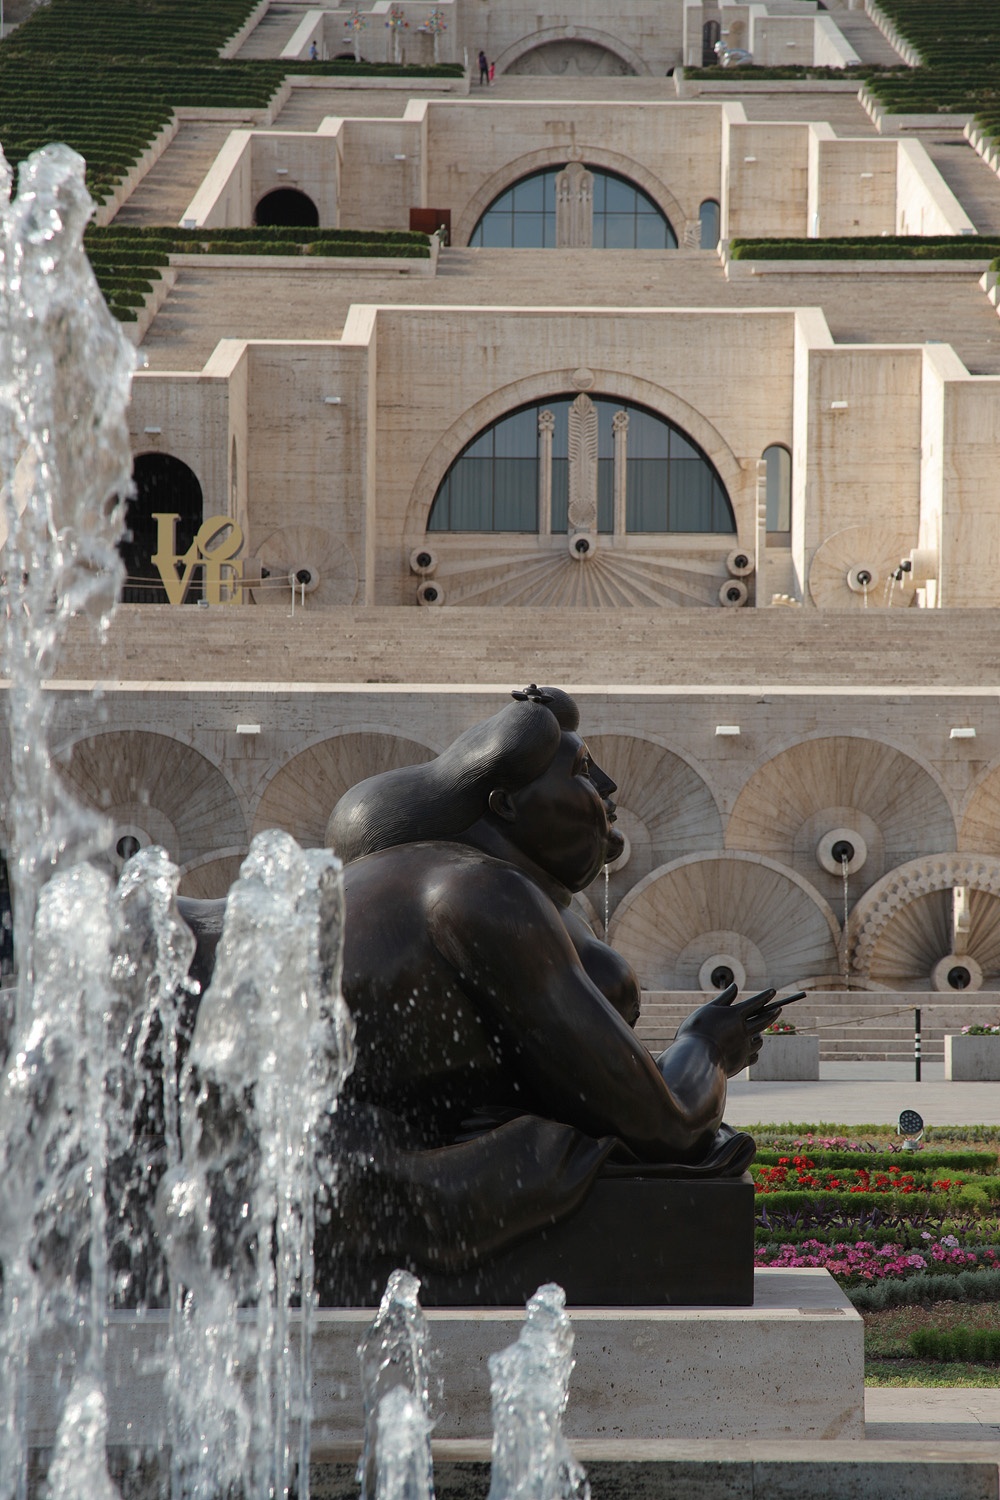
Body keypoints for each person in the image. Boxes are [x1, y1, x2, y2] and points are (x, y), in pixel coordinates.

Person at [320, 685, 797, 1276]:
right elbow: (668, 1127)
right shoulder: (481, 893)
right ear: (505, 804)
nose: (609, 790)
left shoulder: (414, 878)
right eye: (582, 771)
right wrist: (708, 1045)